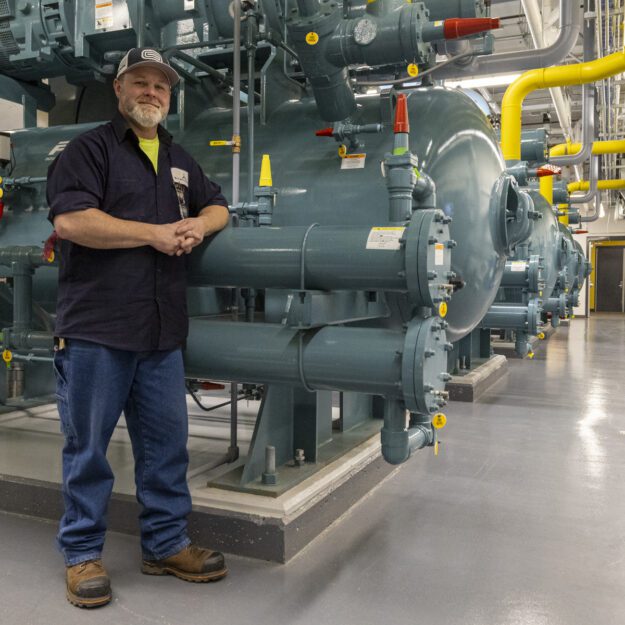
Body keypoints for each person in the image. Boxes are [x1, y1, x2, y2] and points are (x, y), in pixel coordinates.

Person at [46, 47, 231, 609]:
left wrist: (198, 224)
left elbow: (220, 206)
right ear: (119, 89)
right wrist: (152, 234)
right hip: (99, 327)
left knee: (165, 446)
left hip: (159, 330)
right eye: (141, 83)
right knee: (90, 449)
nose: (152, 93)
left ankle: (165, 544)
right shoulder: (88, 150)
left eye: (162, 87)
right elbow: (72, 220)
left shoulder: (178, 157)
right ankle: (81, 554)